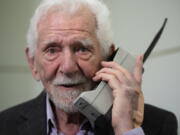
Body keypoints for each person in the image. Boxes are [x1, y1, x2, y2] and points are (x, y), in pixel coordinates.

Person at [0, 0, 178, 135]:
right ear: (33, 63)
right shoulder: (4, 125)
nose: (68, 67)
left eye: (82, 49)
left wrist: (125, 128)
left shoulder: (160, 125)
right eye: (52, 50)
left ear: (109, 58)